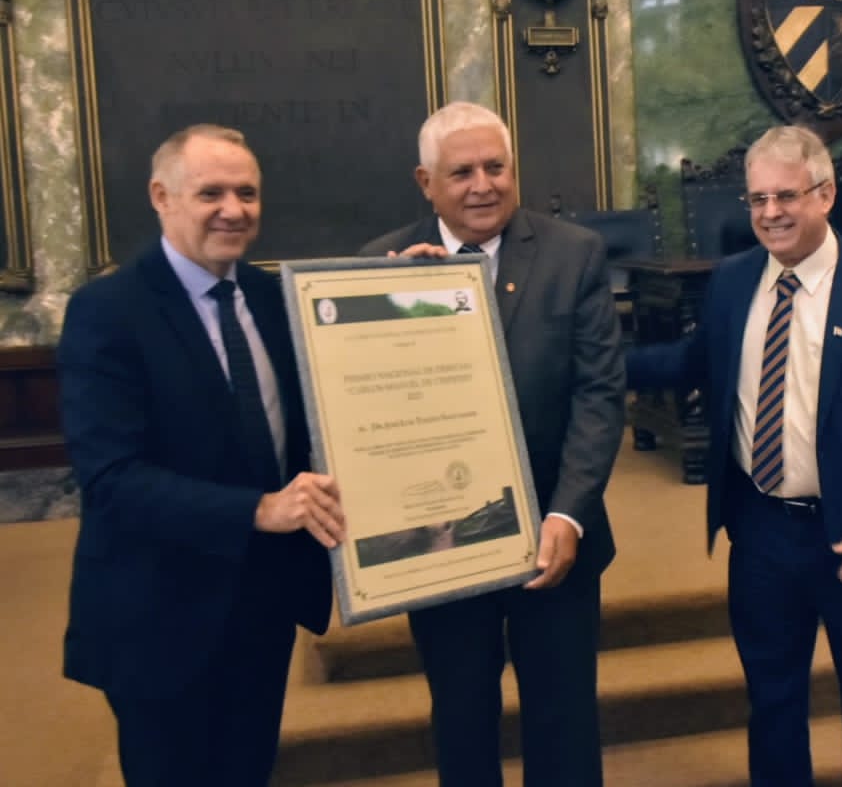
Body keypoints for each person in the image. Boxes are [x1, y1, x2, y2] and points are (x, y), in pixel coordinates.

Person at [628, 125, 842, 786]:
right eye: (756, 200)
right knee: (773, 706)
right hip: (761, 535)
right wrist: (588, 363)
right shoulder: (730, 282)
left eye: (786, 196)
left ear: (826, 193)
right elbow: (691, 362)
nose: (770, 213)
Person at [57, 124, 345, 787]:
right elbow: (111, 480)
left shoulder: (277, 300)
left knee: (247, 770)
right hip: (159, 613)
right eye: (210, 192)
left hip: (263, 604)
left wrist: (421, 287)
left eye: (247, 192)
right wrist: (259, 510)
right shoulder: (107, 312)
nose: (234, 209)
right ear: (162, 196)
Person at [360, 101, 625, 787]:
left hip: (554, 538)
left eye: (496, 167)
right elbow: (371, 414)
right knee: (462, 718)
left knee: (563, 720)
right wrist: (397, 304)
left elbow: (597, 396)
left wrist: (568, 512)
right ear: (425, 183)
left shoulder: (575, 254)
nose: (483, 184)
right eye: (462, 172)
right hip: (441, 547)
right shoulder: (377, 266)